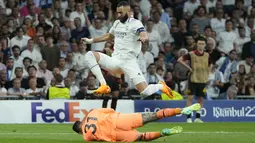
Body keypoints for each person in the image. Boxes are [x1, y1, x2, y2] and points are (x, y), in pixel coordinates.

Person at [81, 1, 173, 98]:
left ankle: (160, 86)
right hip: (115, 62)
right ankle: (104, 85)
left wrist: (143, 38)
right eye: (117, 12)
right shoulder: (116, 23)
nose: (118, 15)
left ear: (128, 12)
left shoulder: (136, 23)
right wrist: (91, 41)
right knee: (89, 55)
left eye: (121, 12)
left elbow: (143, 34)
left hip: (129, 62)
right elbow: (109, 35)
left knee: (145, 92)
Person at [72, 103, 201, 142]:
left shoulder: (86, 136)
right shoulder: (92, 112)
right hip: (119, 120)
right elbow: (110, 109)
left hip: (115, 136)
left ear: (79, 131)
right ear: (83, 120)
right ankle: (182, 110)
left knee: (141, 137)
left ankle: (163, 134)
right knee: (153, 115)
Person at [178, 36, 211, 123]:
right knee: (190, 98)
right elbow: (180, 59)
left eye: (203, 44)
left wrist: (208, 75)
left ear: (205, 45)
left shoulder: (207, 55)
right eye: (199, 43)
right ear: (196, 44)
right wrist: (189, 68)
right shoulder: (191, 54)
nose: (201, 45)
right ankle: (189, 118)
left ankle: (198, 118)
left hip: (203, 80)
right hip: (193, 79)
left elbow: (210, 65)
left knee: (201, 99)